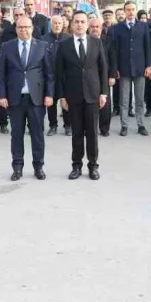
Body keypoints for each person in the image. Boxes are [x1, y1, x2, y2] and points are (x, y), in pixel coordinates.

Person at [0, 15, 55, 181]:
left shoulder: (42, 46)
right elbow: (1, 74)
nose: (23, 30)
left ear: (32, 28)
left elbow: (49, 74)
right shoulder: (7, 47)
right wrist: (2, 95)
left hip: (36, 98)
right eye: (20, 27)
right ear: (16, 29)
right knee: (16, 134)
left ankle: (39, 166)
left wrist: (49, 95)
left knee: (37, 134)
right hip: (15, 99)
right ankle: (17, 167)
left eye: (26, 27)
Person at [56, 12, 108, 180]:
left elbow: (103, 69)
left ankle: (93, 166)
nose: (79, 25)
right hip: (73, 95)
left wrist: (104, 93)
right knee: (77, 132)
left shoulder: (96, 42)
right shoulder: (64, 45)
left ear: (87, 25)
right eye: (76, 22)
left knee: (92, 133)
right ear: (71, 25)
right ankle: (76, 166)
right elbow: (59, 73)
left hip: (93, 94)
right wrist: (62, 96)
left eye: (83, 22)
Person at [110, 1, 151, 136]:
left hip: (140, 68)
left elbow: (147, 48)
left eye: (133, 9)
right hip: (124, 68)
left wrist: (149, 66)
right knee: (124, 100)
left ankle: (141, 125)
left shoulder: (143, 26)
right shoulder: (117, 28)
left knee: (139, 99)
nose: (131, 12)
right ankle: (124, 126)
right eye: (128, 10)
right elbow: (114, 50)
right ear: (124, 11)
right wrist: (115, 68)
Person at [41, 15, 68, 136]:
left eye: (59, 23)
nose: (57, 25)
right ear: (50, 25)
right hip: (49, 76)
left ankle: (68, 125)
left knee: (67, 102)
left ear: (63, 25)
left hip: (66, 77)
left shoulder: (69, 39)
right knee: (51, 102)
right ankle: (53, 125)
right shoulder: (43, 40)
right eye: (55, 23)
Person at [91, 17, 117, 137]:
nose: (95, 29)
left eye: (97, 27)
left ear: (101, 28)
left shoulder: (108, 41)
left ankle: (104, 128)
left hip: (105, 76)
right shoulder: (85, 41)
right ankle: (91, 128)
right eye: (92, 27)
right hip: (90, 77)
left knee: (105, 104)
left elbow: (113, 59)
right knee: (90, 103)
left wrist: (112, 75)